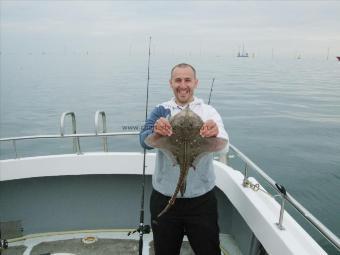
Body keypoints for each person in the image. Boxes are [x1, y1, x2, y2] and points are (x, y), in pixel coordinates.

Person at [139, 63, 229, 255]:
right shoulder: (161, 110)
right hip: (164, 197)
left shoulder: (208, 112)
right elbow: (144, 140)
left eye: (187, 80)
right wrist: (156, 130)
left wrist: (213, 133)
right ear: (171, 83)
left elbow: (224, 144)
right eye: (178, 80)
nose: (183, 85)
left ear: (195, 83)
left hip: (201, 200)